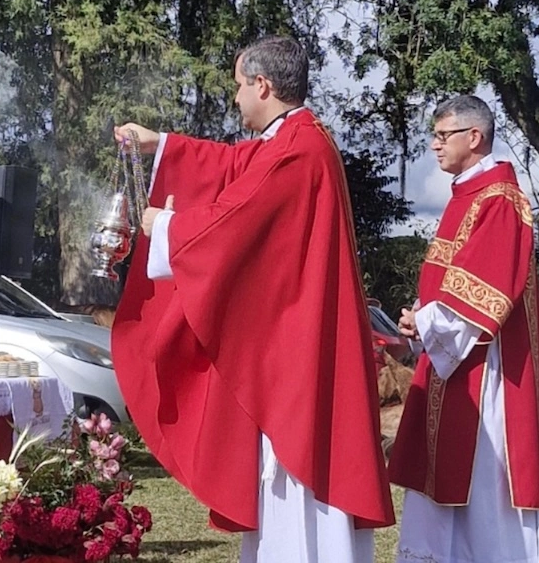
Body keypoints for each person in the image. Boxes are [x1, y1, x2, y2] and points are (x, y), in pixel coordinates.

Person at [111, 35, 394, 563]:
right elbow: (233, 166)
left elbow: (236, 222)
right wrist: (162, 146)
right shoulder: (292, 141)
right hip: (295, 340)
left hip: (295, 353)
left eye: (240, 87)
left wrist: (165, 226)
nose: (236, 98)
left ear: (263, 85)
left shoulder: (297, 149)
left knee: (299, 486)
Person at [388, 95, 539, 563]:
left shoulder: (499, 201)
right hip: (451, 363)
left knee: (485, 490)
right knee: (442, 486)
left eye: (443, 135)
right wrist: (420, 317)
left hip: (487, 374)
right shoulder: (466, 196)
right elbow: (449, 284)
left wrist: (425, 321)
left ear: (474, 137)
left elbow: (482, 293)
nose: (433, 145)